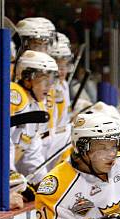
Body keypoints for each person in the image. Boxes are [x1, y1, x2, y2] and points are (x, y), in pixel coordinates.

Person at [10, 50, 58, 187]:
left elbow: (33, 152)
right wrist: (9, 174)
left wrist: (44, 184)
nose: (49, 87)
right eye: (45, 80)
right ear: (27, 78)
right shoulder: (14, 94)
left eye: (51, 80)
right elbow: (0, 140)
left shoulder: (37, 107)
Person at [44, 37, 73, 170]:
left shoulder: (63, 85)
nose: (62, 71)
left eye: (65, 66)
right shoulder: (47, 87)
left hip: (55, 138)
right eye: (58, 66)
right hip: (43, 142)